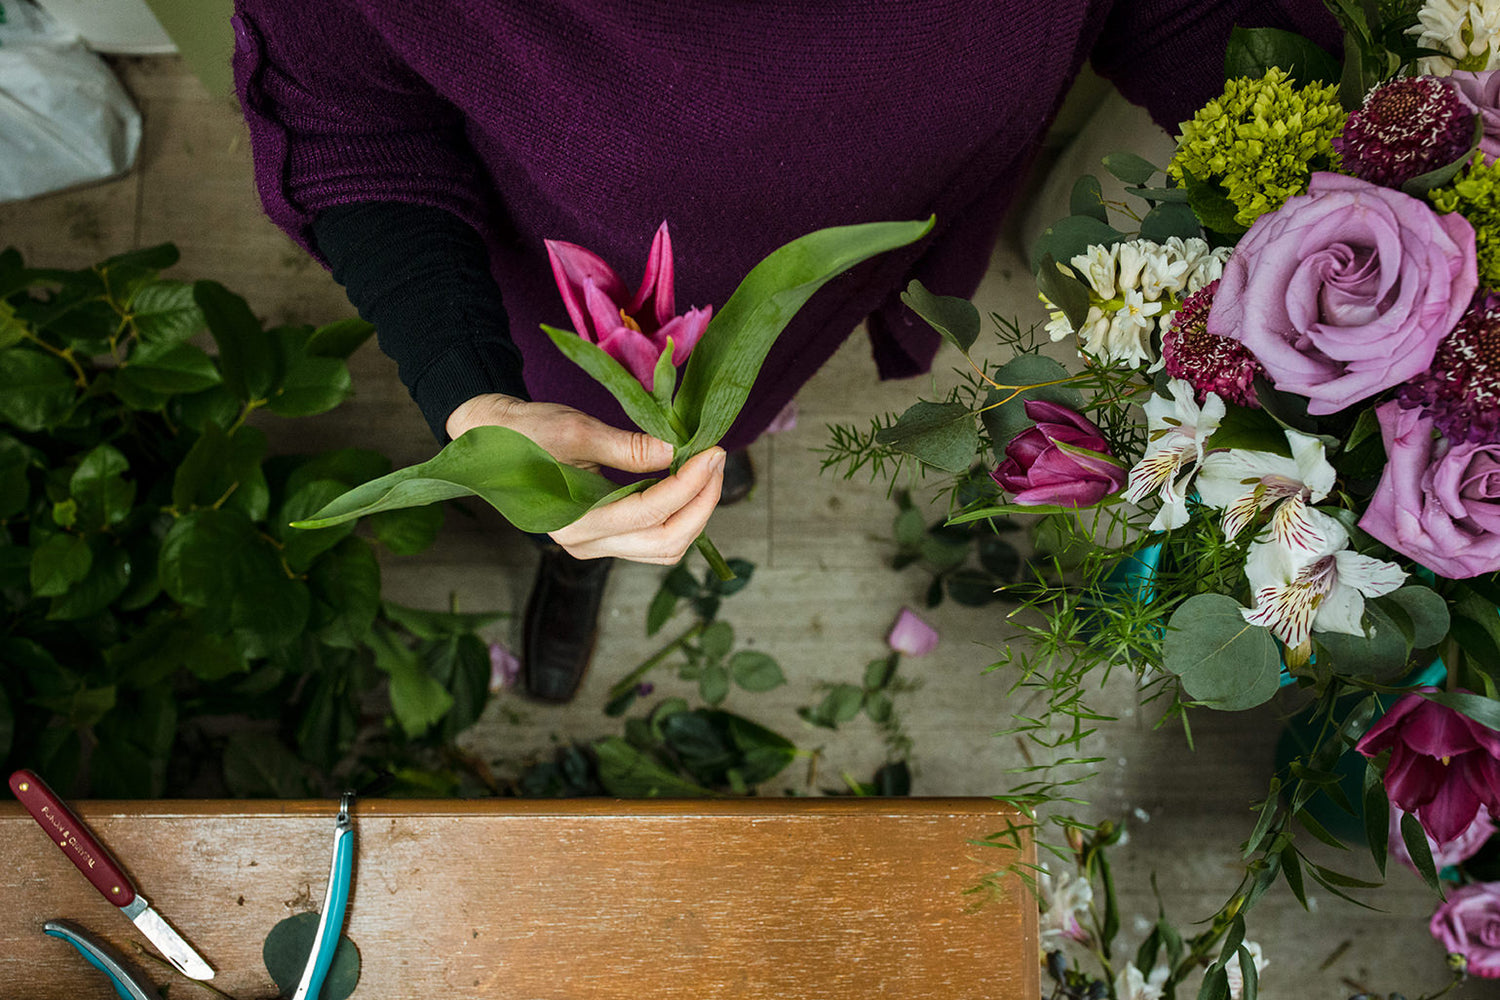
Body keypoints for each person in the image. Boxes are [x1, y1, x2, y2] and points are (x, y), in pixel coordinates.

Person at [231, 0, 1339, 701]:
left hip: (842, 247)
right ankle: (573, 555)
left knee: (748, 392)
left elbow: (1199, 12)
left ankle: (722, 445)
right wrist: (472, 399)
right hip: (587, 289)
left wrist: (1384, 238)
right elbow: (351, 127)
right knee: (586, 464)